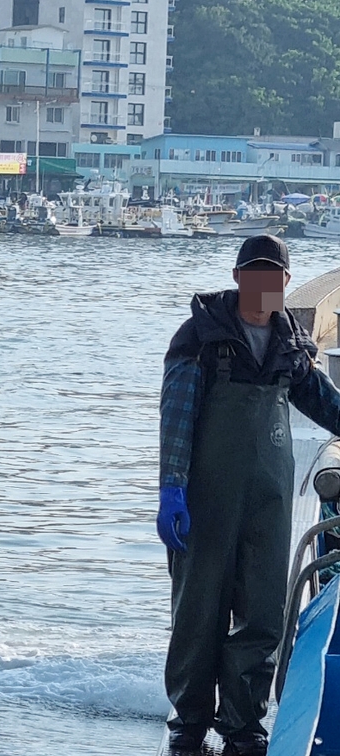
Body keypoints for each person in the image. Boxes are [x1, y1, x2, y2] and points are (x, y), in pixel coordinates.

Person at [158, 234, 340, 755]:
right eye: (253, 273)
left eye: (273, 276)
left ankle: (243, 724)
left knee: (261, 612)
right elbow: (176, 420)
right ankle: (188, 722)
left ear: (285, 282)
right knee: (199, 611)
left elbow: (322, 401)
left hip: (269, 501)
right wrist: (172, 490)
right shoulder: (200, 338)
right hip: (205, 500)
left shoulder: (290, 345)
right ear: (238, 278)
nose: (263, 285)